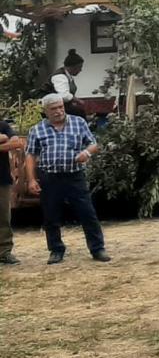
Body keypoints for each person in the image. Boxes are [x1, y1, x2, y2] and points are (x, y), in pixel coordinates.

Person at [24, 94, 107, 264]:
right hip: (49, 177)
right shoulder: (37, 130)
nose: (58, 111)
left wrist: (86, 153)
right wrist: (31, 180)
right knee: (51, 215)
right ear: (45, 111)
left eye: (60, 107)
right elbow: (31, 155)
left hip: (74, 176)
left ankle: (97, 248)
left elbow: (93, 144)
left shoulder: (78, 122)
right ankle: (56, 250)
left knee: (87, 212)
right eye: (53, 108)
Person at [0, 114, 25, 265]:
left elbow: (17, 143)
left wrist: (4, 138)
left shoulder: (3, 125)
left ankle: (4, 252)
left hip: (1, 179)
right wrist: (2, 139)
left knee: (3, 218)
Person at [49, 50, 88, 117]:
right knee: (80, 113)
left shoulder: (68, 76)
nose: (80, 70)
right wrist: (78, 101)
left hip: (62, 106)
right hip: (52, 107)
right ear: (73, 67)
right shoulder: (59, 76)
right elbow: (64, 95)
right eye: (80, 67)